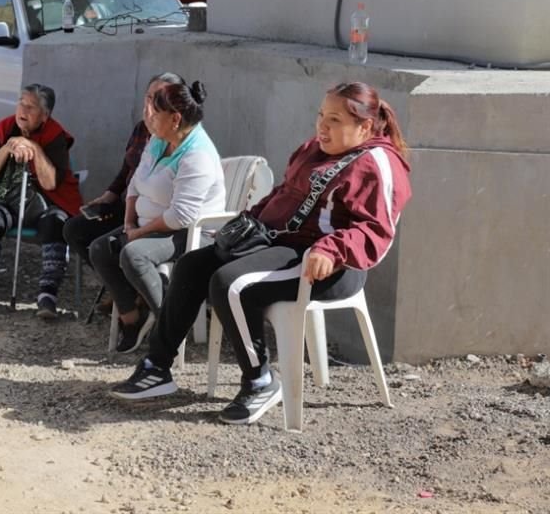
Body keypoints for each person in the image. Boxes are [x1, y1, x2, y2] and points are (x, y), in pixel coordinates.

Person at [109, 82, 412, 425]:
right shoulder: (314, 148)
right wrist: (249, 220)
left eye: (335, 120)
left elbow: (375, 231)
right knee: (193, 265)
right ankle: (157, 368)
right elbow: (283, 194)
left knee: (230, 284)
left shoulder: (378, 163)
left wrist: (331, 250)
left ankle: (260, 381)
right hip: (281, 245)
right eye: (321, 116)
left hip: (330, 265)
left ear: (366, 126)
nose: (322, 127)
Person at [88, 75, 225, 353]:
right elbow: (136, 181)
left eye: (155, 111)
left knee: (133, 254)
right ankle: (132, 318)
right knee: (100, 248)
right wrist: (128, 221)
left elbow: (181, 217)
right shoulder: (159, 140)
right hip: (150, 224)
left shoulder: (196, 155)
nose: (147, 116)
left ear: (175, 119)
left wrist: (138, 232)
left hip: (190, 232)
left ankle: (168, 323)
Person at [0, 84, 82, 319]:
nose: (23, 110)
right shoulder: (6, 128)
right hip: (5, 199)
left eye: (31, 106)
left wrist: (35, 149)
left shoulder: (55, 135)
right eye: (21, 103)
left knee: (56, 222)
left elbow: (51, 183)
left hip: (43, 202)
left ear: (45, 115)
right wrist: (8, 147)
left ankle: (47, 295)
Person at [61, 77, 162, 314]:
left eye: (158, 99)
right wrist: (110, 194)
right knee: (74, 229)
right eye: (148, 97)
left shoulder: (173, 141)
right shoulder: (141, 128)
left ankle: (131, 298)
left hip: (150, 212)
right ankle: (121, 288)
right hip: (126, 205)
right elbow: (127, 169)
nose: (149, 105)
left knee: (104, 245)